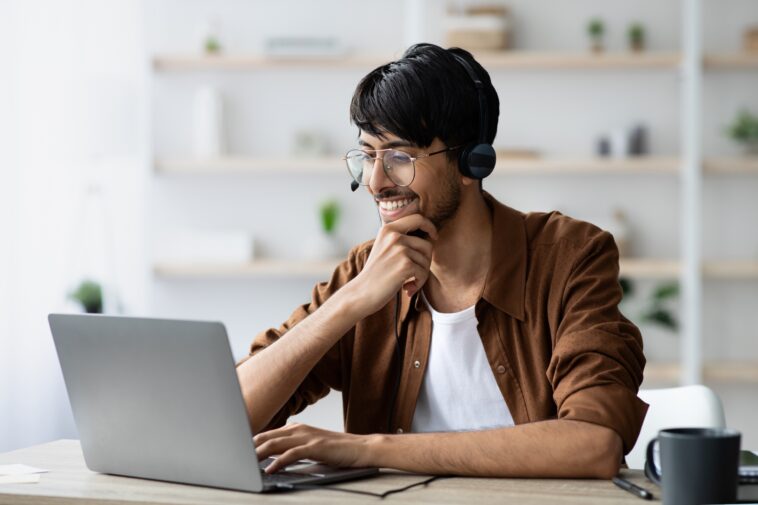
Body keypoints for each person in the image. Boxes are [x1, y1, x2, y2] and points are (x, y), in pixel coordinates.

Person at [235, 43, 647, 479]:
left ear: (473, 162)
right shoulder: (366, 270)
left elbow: (593, 443)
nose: (376, 182)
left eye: (398, 157)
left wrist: (368, 449)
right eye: (368, 156)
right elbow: (230, 415)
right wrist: (350, 301)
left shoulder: (569, 256)